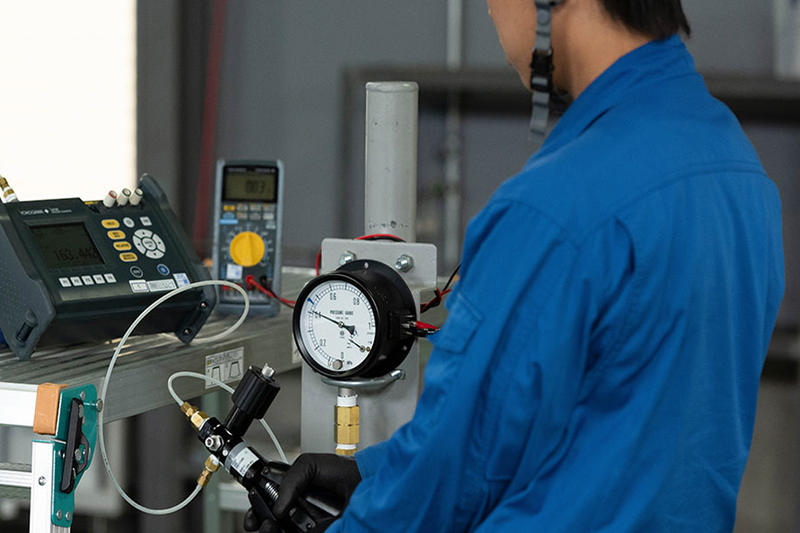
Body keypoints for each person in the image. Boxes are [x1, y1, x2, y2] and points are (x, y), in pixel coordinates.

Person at [246, 0, 785, 531]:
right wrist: (370, 474)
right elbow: (611, 421)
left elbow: (458, 470)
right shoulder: (734, 165)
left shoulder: (556, 206)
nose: (488, 11)